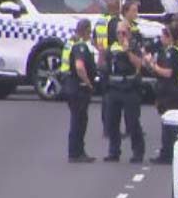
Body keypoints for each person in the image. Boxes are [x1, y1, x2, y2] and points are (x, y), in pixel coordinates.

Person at [103, 16, 151, 163]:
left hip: (129, 88)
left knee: (132, 122)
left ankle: (138, 153)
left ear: (129, 33)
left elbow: (140, 65)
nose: (120, 35)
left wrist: (128, 50)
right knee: (111, 122)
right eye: (118, 33)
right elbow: (105, 66)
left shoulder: (134, 46)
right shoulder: (112, 47)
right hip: (114, 88)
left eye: (123, 32)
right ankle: (113, 151)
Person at [148, 15, 178, 164]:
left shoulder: (172, 52)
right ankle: (174, 152)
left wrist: (153, 65)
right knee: (176, 125)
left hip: (171, 92)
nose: (161, 38)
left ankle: (167, 154)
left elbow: (168, 73)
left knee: (169, 126)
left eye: (163, 35)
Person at [61, 19, 98, 163]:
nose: (90, 35)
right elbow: (80, 67)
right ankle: (77, 152)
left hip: (69, 84)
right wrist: (88, 83)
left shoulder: (70, 42)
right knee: (80, 121)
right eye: (89, 32)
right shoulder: (80, 46)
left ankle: (74, 151)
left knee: (76, 119)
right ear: (85, 31)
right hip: (78, 86)